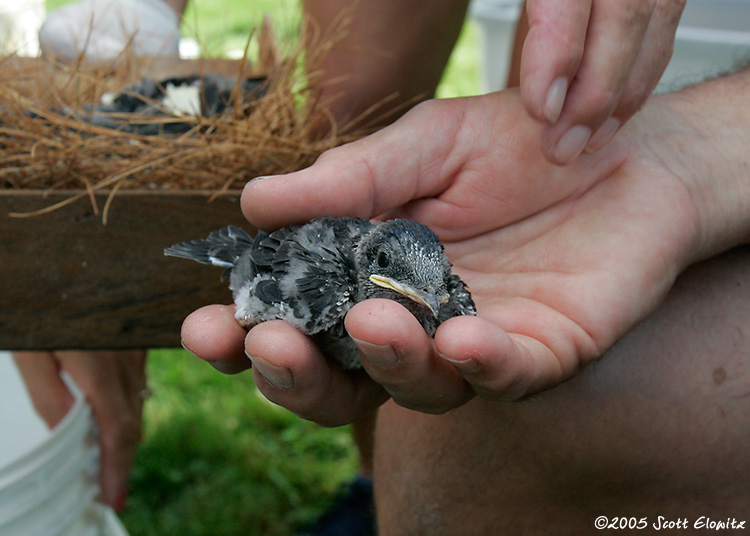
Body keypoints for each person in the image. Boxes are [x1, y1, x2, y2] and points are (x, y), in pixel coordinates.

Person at [15, 0, 700, 530]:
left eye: (434, 293)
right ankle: (375, 482)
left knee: (547, 105)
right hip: (298, 262)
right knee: (352, 117)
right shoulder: (321, 286)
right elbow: (274, 265)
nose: (432, 304)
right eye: (405, 290)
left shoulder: (441, 297)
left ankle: (414, 481)